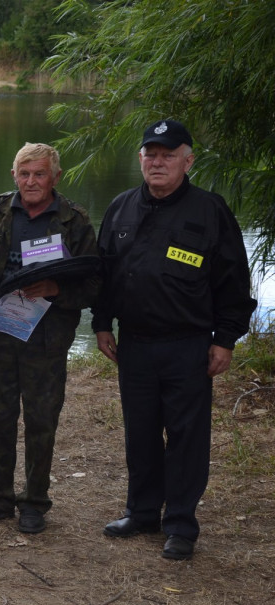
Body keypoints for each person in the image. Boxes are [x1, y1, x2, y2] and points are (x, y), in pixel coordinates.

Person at [93, 120, 256, 559]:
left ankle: (181, 523)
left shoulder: (209, 210)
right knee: (140, 432)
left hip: (188, 344)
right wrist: (102, 323)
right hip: (136, 344)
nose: (158, 161)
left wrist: (225, 339)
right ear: (140, 159)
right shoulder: (121, 208)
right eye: (151, 153)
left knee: (186, 435)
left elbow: (233, 283)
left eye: (168, 154)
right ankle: (143, 511)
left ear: (188, 160)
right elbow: (103, 274)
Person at [0, 143, 99, 534]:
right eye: (24, 174)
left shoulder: (75, 221)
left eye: (39, 174)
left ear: (55, 177)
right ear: (14, 176)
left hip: (48, 337)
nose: (31, 182)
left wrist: (56, 288)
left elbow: (94, 285)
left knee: (41, 421)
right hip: (3, 330)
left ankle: (35, 503)